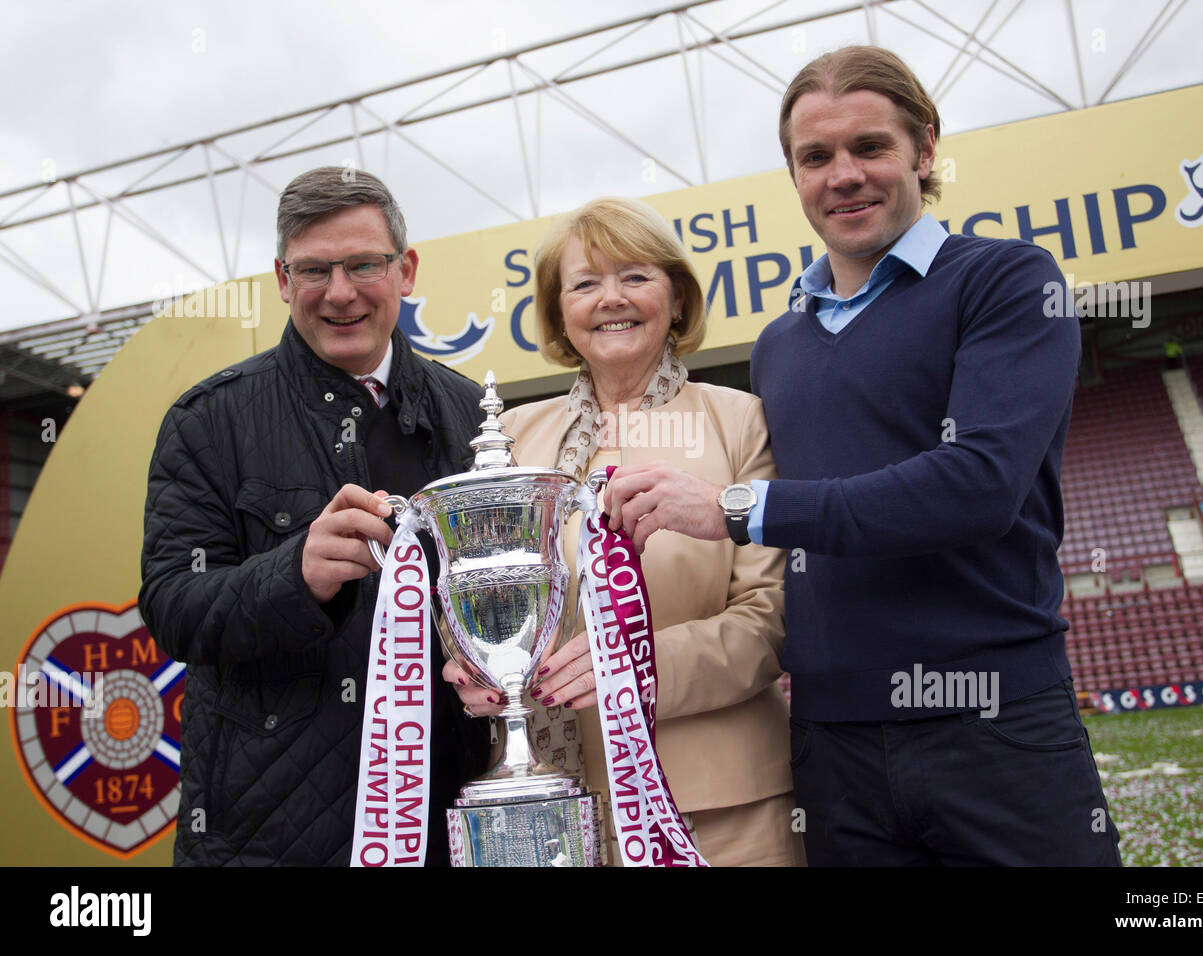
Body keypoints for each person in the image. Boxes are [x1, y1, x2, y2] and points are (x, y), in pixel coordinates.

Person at [602, 47, 1121, 866]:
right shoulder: (780, 344)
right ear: (795, 176)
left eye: (869, 147)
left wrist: (736, 511)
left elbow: (977, 486)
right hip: (830, 744)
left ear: (924, 149)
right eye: (816, 157)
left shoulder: (1007, 281)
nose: (843, 175)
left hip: (996, 725)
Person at [139, 167, 489, 865]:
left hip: (452, 819)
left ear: (406, 269)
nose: (339, 292)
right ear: (281, 279)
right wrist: (291, 575)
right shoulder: (211, 420)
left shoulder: (472, 419)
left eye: (364, 264)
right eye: (313, 269)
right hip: (270, 837)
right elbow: (172, 606)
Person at [446, 197, 803, 866]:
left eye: (635, 276)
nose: (611, 298)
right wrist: (473, 662)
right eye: (585, 283)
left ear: (676, 296)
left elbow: (771, 617)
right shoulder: (514, 435)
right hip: (554, 806)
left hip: (721, 809)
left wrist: (632, 668)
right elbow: (488, 592)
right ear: (559, 312)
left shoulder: (740, 420)